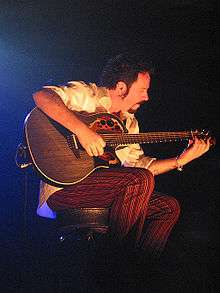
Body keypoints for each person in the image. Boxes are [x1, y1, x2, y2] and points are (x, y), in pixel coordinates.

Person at [33, 53, 211, 259]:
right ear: (120, 88)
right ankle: (117, 264)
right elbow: (42, 96)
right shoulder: (88, 96)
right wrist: (83, 132)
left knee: (168, 207)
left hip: (102, 189)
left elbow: (141, 168)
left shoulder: (130, 123)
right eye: (143, 90)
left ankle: (142, 270)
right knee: (138, 180)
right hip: (65, 188)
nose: (147, 97)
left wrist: (182, 160)